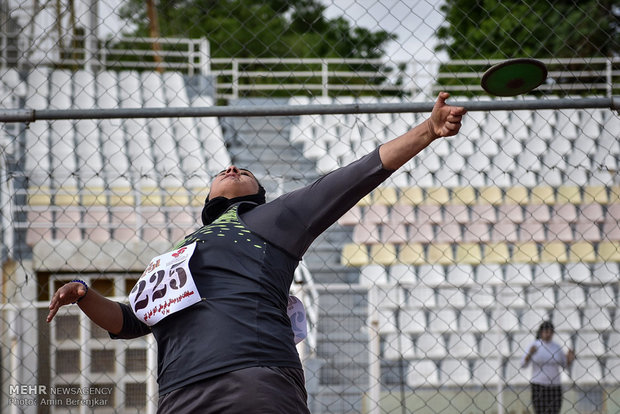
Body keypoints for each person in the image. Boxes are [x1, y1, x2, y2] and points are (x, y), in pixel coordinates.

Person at [47, 92, 466, 413]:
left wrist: (427, 130)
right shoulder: (173, 254)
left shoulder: (274, 218)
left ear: (259, 196)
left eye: (243, 171)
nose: (231, 168)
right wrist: (84, 294)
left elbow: (355, 176)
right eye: (223, 170)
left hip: (252, 379)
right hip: (178, 394)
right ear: (207, 198)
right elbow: (130, 321)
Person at [521, 321, 576, 414]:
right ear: (541, 332)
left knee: (554, 411)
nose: (548, 334)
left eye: (551, 332)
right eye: (546, 332)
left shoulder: (556, 347)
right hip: (539, 385)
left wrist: (569, 358)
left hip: (554, 386)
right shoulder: (535, 345)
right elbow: (523, 364)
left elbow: (565, 365)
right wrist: (530, 354)